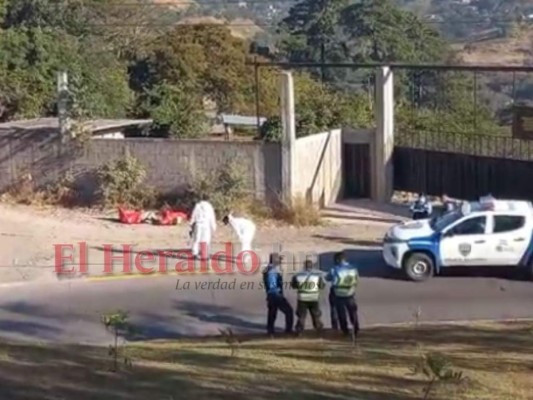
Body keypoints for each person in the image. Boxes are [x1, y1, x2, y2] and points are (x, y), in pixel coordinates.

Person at [326, 251, 360, 337]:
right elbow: (356, 279)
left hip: (338, 294)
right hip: (350, 293)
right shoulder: (353, 268)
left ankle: (344, 330)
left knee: (341, 313)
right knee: (352, 312)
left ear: (337, 260)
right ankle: (356, 328)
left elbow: (328, 278)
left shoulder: (334, 269)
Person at [290, 259, 325, 336]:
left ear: (304, 266)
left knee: (301, 316)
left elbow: (293, 286)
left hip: (302, 298)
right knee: (316, 315)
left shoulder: (297, 275)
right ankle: (319, 329)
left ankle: (299, 330)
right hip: (314, 298)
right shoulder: (317, 275)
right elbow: (322, 286)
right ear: (312, 266)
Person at [263, 253, 294, 337]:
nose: (280, 261)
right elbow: (272, 284)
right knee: (289, 311)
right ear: (274, 260)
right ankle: (288, 330)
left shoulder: (268, 269)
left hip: (270, 295)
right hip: (275, 295)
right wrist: (278, 293)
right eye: (279, 260)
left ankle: (270, 331)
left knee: (272, 314)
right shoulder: (272, 271)